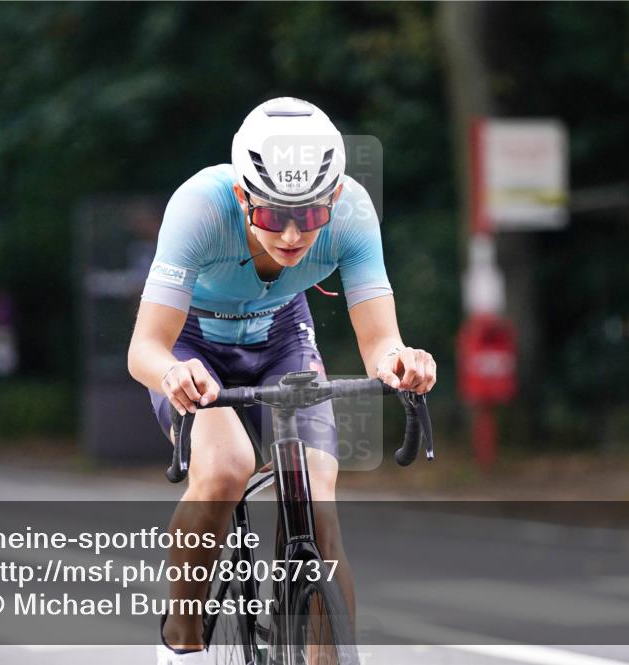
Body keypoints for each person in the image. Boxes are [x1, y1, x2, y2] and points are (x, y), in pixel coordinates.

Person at [127, 97, 437, 664]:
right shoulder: (200, 207)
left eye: (311, 216)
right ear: (242, 195)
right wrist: (173, 372)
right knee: (226, 468)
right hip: (192, 345)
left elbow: (381, 342)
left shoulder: (353, 212)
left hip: (282, 337)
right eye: (273, 216)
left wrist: (401, 362)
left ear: (334, 199)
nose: (293, 235)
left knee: (318, 498)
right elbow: (145, 347)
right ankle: (183, 639)